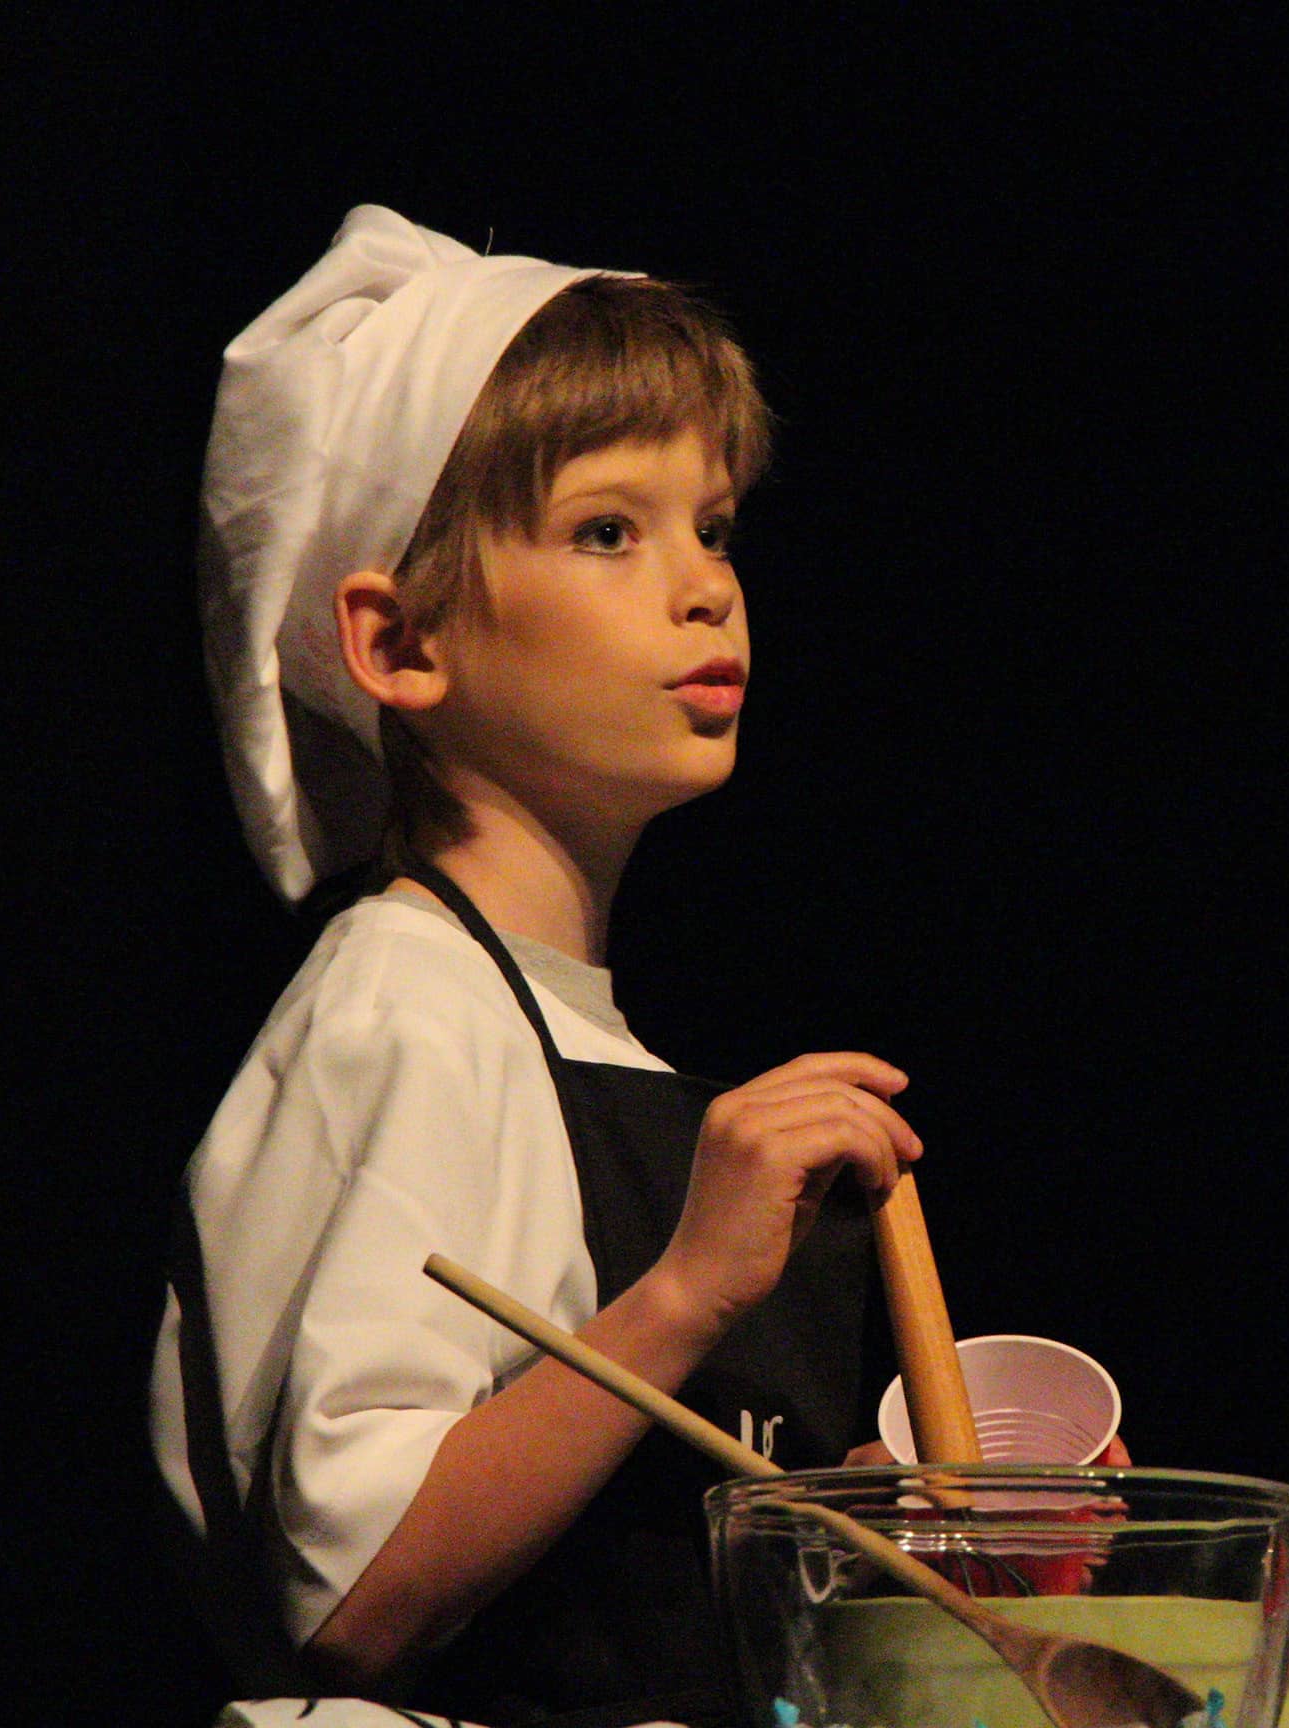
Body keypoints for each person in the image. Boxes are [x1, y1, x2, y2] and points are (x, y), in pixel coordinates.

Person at [152, 205, 923, 1727]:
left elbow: (619, 1561)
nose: (705, 585)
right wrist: (690, 1288)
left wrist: (886, 1518)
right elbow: (355, 1595)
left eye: (713, 526)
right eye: (606, 532)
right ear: (398, 644)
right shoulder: (406, 1008)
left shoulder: (562, 1033)